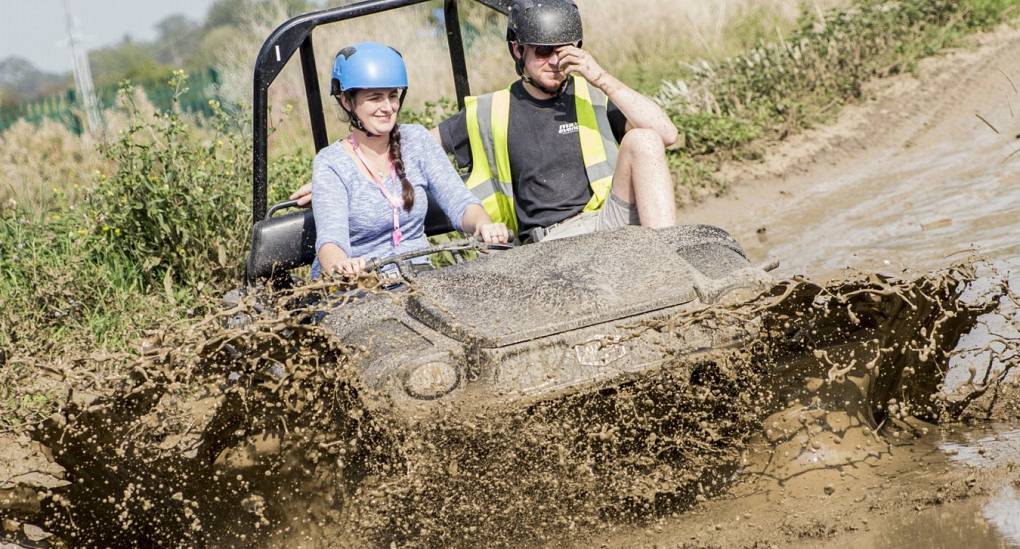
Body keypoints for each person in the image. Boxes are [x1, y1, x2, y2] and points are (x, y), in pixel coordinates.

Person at [294, 0, 678, 243]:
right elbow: (403, 144)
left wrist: (601, 76)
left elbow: (667, 135)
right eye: (543, 52)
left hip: (607, 222)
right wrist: (340, 172)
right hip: (552, 243)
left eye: (564, 51)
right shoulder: (490, 111)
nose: (554, 62)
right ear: (518, 49)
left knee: (643, 140)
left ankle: (670, 265)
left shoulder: (593, 96)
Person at [312, 42, 508, 278]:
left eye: (392, 96)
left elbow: (460, 201)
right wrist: (342, 264)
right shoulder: (331, 163)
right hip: (359, 287)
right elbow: (330, 241)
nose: (387, 108)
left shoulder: (416, 141)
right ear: (346, 101)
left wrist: (483, 224)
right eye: (375, 98)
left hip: (418, 278)